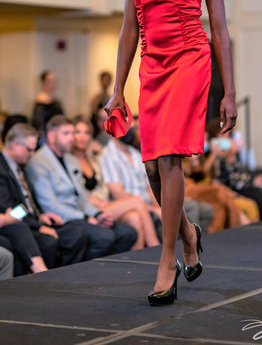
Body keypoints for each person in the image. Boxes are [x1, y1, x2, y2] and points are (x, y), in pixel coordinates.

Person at [105, 0, 237, 305]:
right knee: (151, 168)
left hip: (190, 63)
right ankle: (187, 232)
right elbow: (130, 29)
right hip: (153, 66)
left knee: (168, 158)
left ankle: (167, 262)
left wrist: (229, 93)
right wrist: (117, 89)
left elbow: (220, 32)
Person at [26, 115, 137, 259]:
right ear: (52, 136)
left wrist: (97, 214)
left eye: (72, 133)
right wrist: (85, 217)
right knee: (105, 237)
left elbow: (83, 197)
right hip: (63, 220)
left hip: (81, 214)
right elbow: (50, 205)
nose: (72, 138)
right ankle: (85, 273)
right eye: (66, 134)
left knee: (128, 233)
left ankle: (107, 270)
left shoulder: (71, 159)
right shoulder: (38, 162)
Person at [0, 123, 89, 272]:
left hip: (27, 221)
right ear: (15, 144)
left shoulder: (18, 165)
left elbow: (26, 202)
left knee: (76, 234)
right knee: (48, 241)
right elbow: (10, 209)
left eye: (34, 149)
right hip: (17, 224)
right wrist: (38, 225)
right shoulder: (2, 168)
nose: (32, 154)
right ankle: (44, 277)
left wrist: (41, 216)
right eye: (29, 149)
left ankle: (66, 276)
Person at [72, 115, 160, 249]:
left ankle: (137, 263)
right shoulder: (69, 161)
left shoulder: (92, 160)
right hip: (88, 207)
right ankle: (156, 248)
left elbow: (103, 187)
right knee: (137, 201)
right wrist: (93, 200)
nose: (82, 136)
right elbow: (75, 191)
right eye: (77, 132)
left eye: (86, 132)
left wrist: (101, 199)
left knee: (134, 217)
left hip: (103, 203)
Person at [31, 70, 64, 145]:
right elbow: (38, 125)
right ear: (43, 82)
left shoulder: (56, 102)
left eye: (55, 80)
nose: (54, 83)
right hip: (46, 140)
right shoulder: (40, 102)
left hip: (57, 136)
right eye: (50, 80)